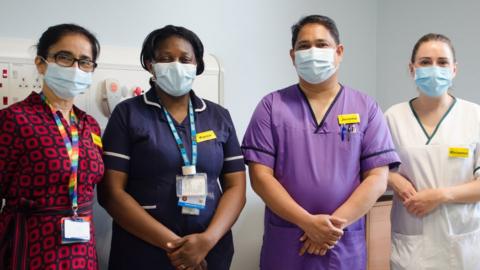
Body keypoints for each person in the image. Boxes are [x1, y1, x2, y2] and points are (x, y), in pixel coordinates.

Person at [242, 14, 400, 269]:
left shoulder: (366, 107)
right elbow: (261, 178)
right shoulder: (271, 106)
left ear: (339, 52)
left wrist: (330, 228)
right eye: (304, 46)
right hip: (288, 241)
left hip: (342, 243)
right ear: (293, 56)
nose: (313, 51)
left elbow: (377, 178)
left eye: (322, 44)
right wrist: (307, 223)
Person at [98, 25, 246, 270]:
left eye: (185, 59)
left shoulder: (218, 116)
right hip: (144, 253)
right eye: (166, 58)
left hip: (209, 251)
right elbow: (111, 193)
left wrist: (206, 241)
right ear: (149, 64)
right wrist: (176, 247)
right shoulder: (128, 114)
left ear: (197, 65)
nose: (177, 65)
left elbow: (236, 187)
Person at [0, 24, 103, 269]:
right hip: (31, 244)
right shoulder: (14, 120)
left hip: (82, 249)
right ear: (41, 63)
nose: (76, 68)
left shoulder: (90, 126)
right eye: (64, 57)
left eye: (85, 62)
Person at [385, 33, 480, 270]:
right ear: (412, 68)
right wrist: (393, 178)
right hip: (411, 247)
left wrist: (440, 196)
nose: (434, 68)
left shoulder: (474, 116)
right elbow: (375, 169)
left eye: (442, 62)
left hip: (462, 246)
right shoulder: (393, 117)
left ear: (454, 69)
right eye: (425, 62)